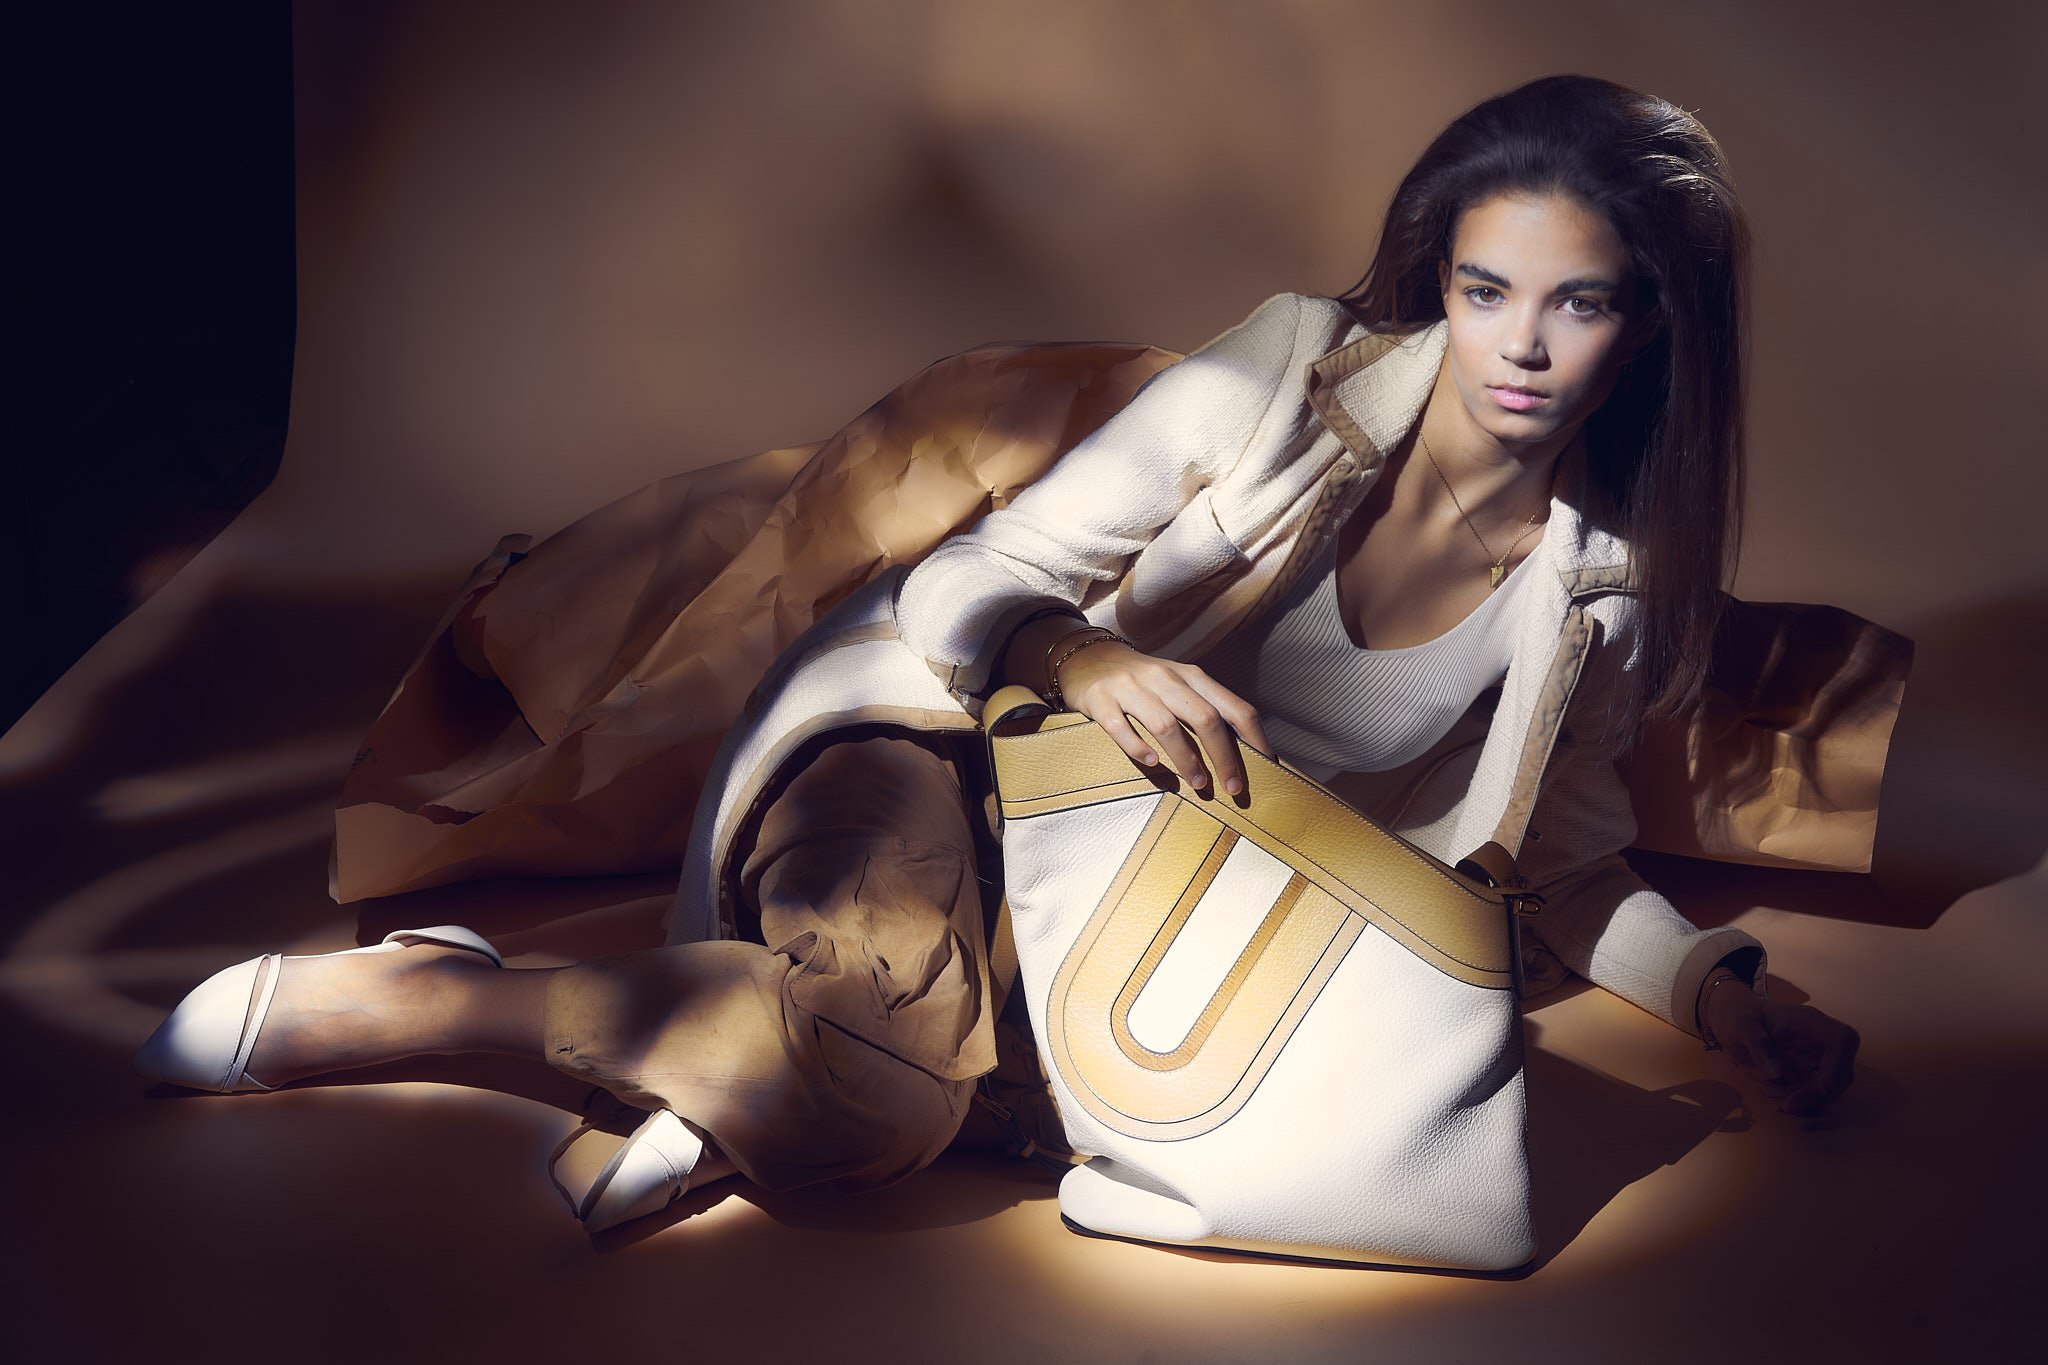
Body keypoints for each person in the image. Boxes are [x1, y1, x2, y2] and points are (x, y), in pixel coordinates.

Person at [136, 74, 1864, 1236]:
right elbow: (969, 577)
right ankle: (440, 1001)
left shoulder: (1602, 591)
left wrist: (1722, 987)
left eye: (1584, 302)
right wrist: (1078, 653)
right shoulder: (1287, 373)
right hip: (944, 749)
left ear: (1655, 330)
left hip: (1125, 901)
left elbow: (1553, 866)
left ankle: (757, 1073)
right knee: (884, 1073)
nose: (1524, 345)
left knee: (909, 1080)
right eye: (1490, 289)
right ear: (1441, 278)